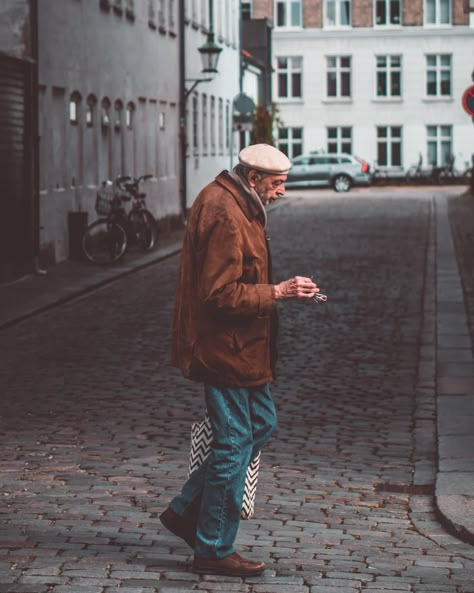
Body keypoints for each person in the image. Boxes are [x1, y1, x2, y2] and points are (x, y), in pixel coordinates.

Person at [160, 143, 319, 577]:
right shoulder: (225, 213)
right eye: (277, 183)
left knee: (260, 424)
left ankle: (184, 510)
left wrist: (281, 289)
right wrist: (279, 292)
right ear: (253, 179)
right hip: (224, 349)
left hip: (245, 349)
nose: (282, 191)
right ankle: (212, 547)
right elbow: (220, 294)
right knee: (233, 443)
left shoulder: (237, 200)